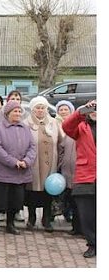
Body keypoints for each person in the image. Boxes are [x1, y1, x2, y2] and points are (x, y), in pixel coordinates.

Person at [0, 101, 37, 235]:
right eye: (14, 111)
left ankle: (10, 224)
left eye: (19, 111)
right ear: (7, 113)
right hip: (2, 173)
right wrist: (13, 161)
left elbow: (32, 147)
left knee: (15, 201)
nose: (18, 114)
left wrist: (26, 161)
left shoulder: (26, 128)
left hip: (20, 173)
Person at [23, 96, 64, 232]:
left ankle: (46, 219)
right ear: (32, 109)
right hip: (33, 164)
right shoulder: (25, 123)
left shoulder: (54, 123)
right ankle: (31, 218)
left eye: (43, 108)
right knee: (32, 193)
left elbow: (61, 143)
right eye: (37, 108)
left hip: (50, 164)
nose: (40, 110)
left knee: (48, 192)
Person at [62, 100, 96, 259]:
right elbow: (66, 126)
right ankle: (92, 244)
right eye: (92, 109)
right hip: (85, 176)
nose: (95, 111)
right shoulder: (81, 127)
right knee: (87, 215)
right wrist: (81, 111)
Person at [55, 100, 80, 236]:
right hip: (65, 171)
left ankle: (80, 226)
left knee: (78, 202)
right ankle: (75, 227)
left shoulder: (83, 130)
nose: (63, 112)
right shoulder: (70, 133)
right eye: (61, 109)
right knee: (68, 198)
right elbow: (61, 149)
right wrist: (59, 164)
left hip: (80, 173)